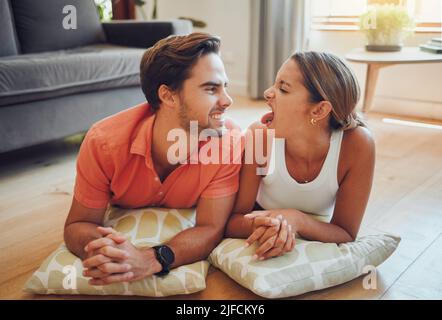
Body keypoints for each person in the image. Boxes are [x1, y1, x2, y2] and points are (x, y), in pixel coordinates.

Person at [64, 33, 242, 285]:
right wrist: (106, 252)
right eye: (211, 88)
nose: (227, 100)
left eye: (226, 86)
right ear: (168, 96)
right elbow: (78, 224)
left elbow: (211, 228)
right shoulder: (103, 142)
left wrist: (151, 258)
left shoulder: (229, 140)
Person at [225, 51, 375, 261]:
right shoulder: (259, 136)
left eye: (283, 89)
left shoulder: (357, 145)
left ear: (319, 110)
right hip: (263, 217)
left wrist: (297, 220)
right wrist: (275, 225)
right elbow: (233, 220)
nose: (268, 93)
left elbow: (346, 232)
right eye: (274, 84)